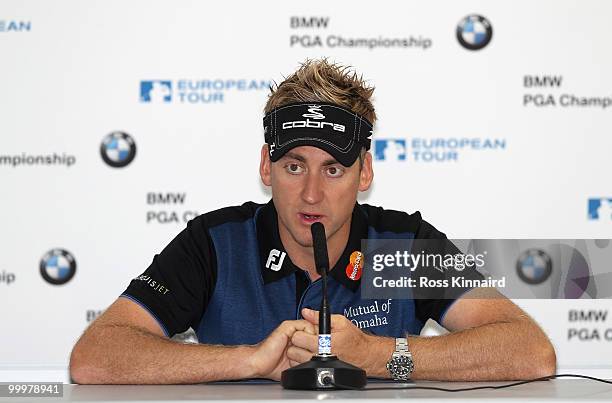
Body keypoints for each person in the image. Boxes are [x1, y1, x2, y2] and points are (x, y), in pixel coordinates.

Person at [70, 59, 556, 384]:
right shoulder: (216, 243)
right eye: (294, 165)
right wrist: (250, 360)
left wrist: (378, 355)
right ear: (267, 166)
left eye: (334, 169)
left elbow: (531, 351)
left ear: (364, 171)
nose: (311, 194)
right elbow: (94, 357)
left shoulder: (401, 243)